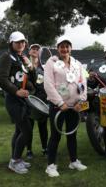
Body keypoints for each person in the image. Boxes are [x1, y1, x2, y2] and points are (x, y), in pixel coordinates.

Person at [44, 36, 87, 177]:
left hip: (74, 106)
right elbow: (48, 84)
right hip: (58, 106)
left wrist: (81, 100)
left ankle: (73, 161)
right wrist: (60, 103)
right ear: (58, 48)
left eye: (67, 46)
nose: (64, 49)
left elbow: (83, 83)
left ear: (71, 48)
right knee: (55, 136)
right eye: (62, 46)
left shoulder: (77, 63)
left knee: (72, 135)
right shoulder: (52, 62)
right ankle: (51, 165)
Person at [0, 31, 36, 174]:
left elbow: (31, 79)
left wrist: (30, 66)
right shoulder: (6, 57)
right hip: (13, 100)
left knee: (19, 130)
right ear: (11, 43)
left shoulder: (20, 58)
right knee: (27, 131)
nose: (21, 44)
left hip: (22, 100)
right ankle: (15, 161)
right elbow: (0, 79)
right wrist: (16, 91)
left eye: (23, 42)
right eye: (18, 42)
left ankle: (16, 159)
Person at [25, 44, 48, 159]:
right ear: (29, 51)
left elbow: (45, 85)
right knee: (28, 127)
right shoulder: (23, 65)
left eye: (37, 49)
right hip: (27, 101)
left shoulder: (44, 68)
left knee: (42, 126)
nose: (35, 50)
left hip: (41, 100)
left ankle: (45, 148)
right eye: (33, 48)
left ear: (40, 53)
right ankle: (29, 150)